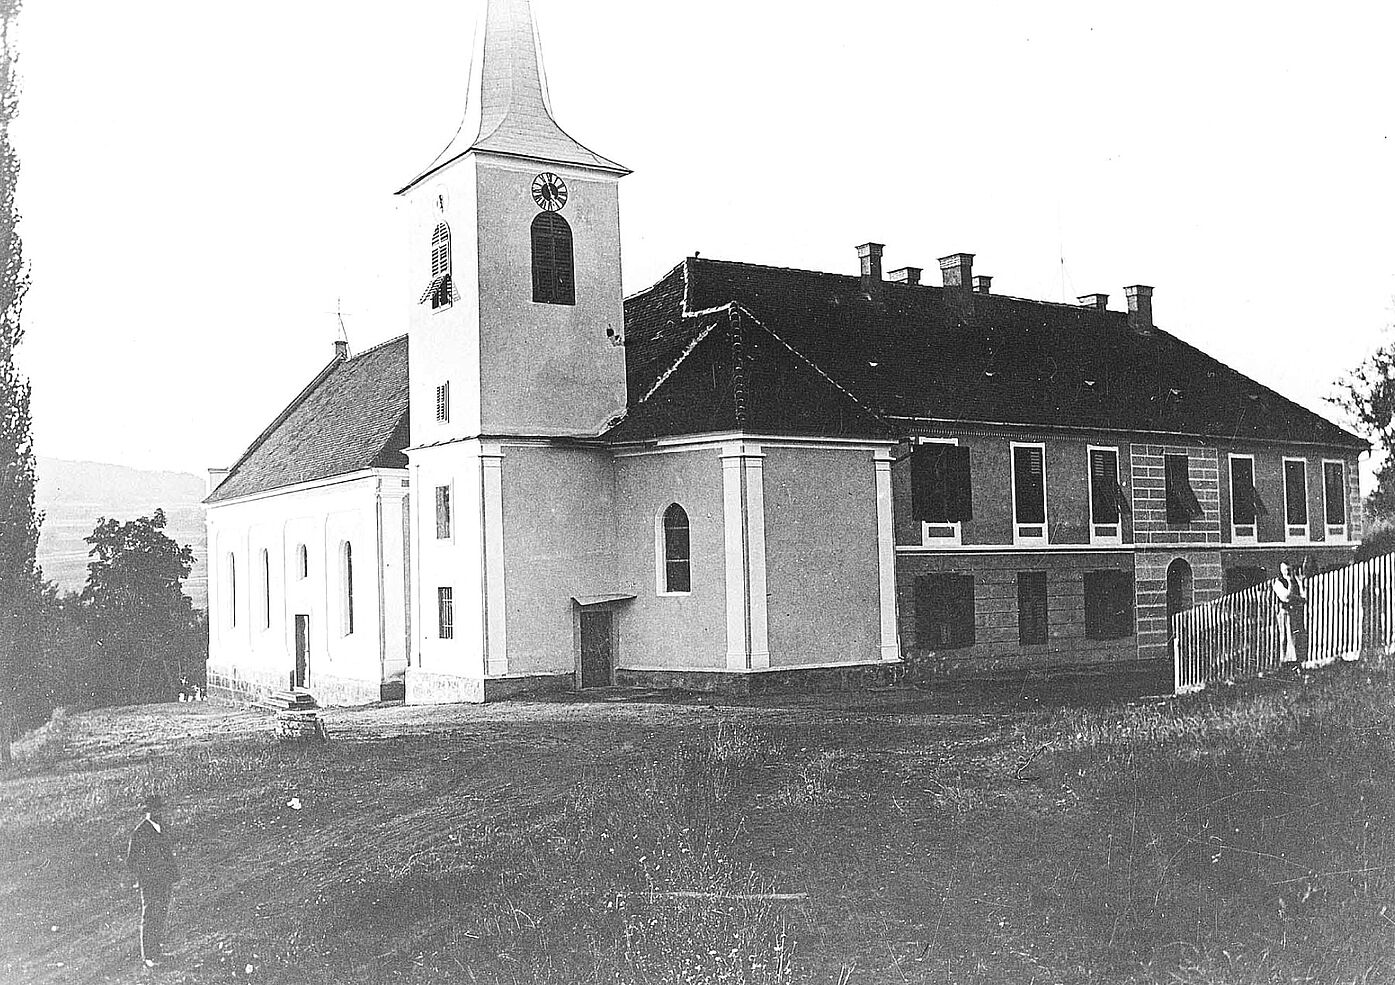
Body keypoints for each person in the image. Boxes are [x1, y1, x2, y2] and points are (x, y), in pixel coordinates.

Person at [126, 793, 179, 967]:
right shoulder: (140, 832)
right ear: (146, 812)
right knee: (150, 917)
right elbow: (131, 861)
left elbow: (167, 853)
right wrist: (147, 876)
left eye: (157, 809)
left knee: (161, 914)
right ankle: (148, 957)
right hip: (150, 882)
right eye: (150, 810)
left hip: (165, 879)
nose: (154, 813)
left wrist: (172, 873)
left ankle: (157, 952)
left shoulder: (161, 827)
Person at [1272, 561, 1307, 671]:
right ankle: (1285, 663)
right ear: (1281, 571)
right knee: (1286, 637)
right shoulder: (1278, 582)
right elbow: (1286, 597)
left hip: (1296, 612)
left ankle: (1297, 663)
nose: (1287, 573)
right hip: (1285, 613)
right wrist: (1297, 597)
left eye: (1289, 570)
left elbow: (1304, 596)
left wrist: (1300, 583)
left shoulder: (1295, 581)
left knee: (1297, 638)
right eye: (1285, 570)